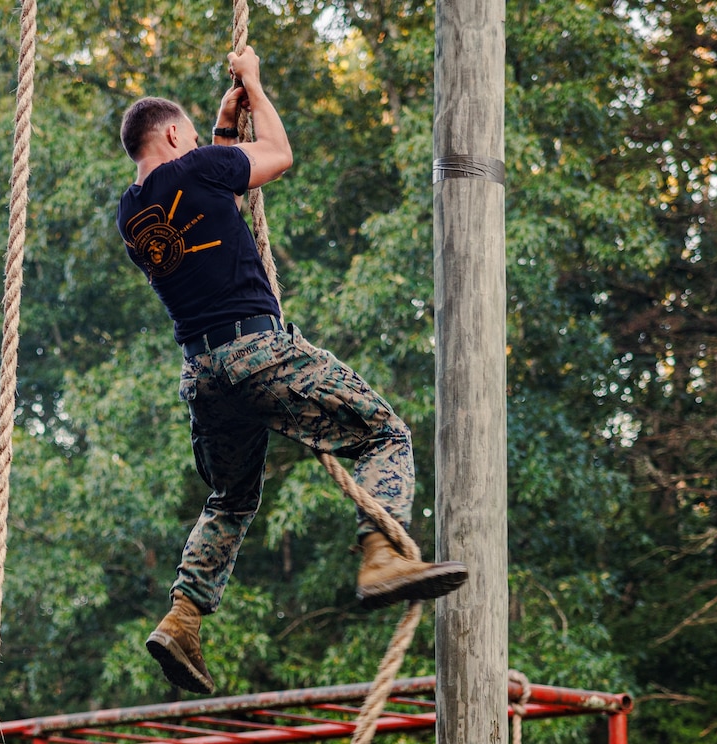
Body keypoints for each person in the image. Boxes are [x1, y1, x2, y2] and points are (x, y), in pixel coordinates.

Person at [116, 49, 465, 695]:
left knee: (231, 497)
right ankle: (382, 553)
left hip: (202, 372)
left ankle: (184, 617)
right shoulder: (195, 166)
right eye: (190, 135)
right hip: (257, 352)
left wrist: (221, 129)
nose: (197, 145)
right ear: (171, 135)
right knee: (384, 434)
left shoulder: (131, 211)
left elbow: (220, 196)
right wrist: (252, 80)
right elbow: (277, 154)